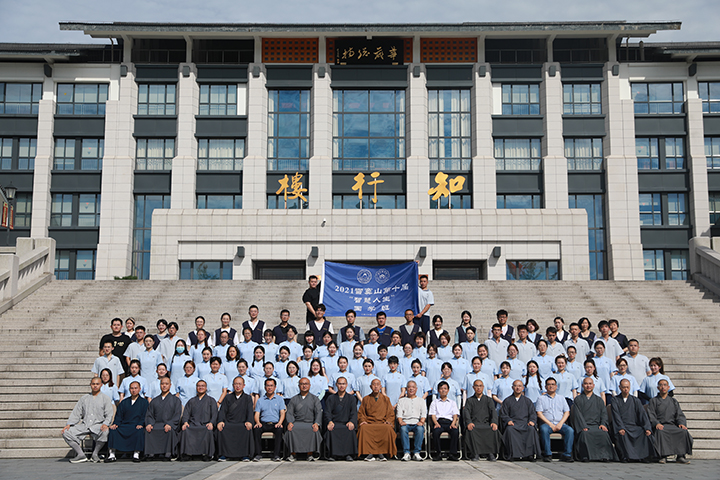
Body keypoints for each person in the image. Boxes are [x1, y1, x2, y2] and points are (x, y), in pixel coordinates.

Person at [62, 377, 114, 463]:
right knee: (66, 432)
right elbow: (76, 413)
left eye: (97, 384)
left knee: (105, 431)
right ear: (90, 385)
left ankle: (95, 454)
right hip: (85, 425)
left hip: (98, 425)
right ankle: (81, 454)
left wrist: (105, 424)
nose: (95, 386)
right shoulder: (84, 398)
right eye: (93, 384)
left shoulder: (105, 398)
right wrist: (69, 424)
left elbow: (109, 414)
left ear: (101, 385)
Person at [571, 377, 618, 462]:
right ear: (582, 385)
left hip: (597, 425)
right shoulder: (578, 399)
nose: (588, 386)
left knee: (604, 434)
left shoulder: (599, 400)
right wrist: (583, 426)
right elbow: (578, 415)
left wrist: (603, 424)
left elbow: (604, 414)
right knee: (585, 434)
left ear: (593, 385)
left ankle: (604, 455)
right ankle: (585, 456)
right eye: (586, 384)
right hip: (584, 426)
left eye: (590, 384)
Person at [648, 379, 693, 464]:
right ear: (658, 388)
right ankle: (662, 456)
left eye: (665, 385)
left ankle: (680, 456)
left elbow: (680, 415)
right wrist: (656, 423)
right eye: (661, 385)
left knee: (683, 432)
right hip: (661, 425)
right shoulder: (653, 401)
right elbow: (651, 415)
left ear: (668, 387)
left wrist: (681, 424)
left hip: (672, 425)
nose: (663, 387)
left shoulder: (673, 401)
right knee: (660, 432)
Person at [612, 378, 655, 463]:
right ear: (619, 387)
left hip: (634, 426)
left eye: (627, 387)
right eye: (624, 387)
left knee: (643, 433)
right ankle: (626, 456)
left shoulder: (636, 400)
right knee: (623, 434)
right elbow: (616, 416)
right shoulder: (615, 400)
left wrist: (647, 427)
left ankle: (643, 456)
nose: (626, 389)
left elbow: (642, 415)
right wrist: (620, 427)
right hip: (623, 426)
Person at [106, 381, 148, 463]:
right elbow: (119, 415)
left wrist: (141, 423)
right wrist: (116, 424)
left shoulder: (144, 402)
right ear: (129, 389)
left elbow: (145, 415)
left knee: (139, 431)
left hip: (136, 425)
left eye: (136, 388)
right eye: (132, 388)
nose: (134, 390)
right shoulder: (124, 402)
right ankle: (112, 454)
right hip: (124, 425)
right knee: (113, 430)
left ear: (140, 389)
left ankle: (136, 453)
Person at [499, 380, 541, 461]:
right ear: (512, 387)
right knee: (509, 430)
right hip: (513, 424)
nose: (517, 388)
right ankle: (512, 454)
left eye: (519, 386)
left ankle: (530, 455)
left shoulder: (528, 401)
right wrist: (508, 420)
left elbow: (532, 413)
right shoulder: (507, 401)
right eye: (515, 386)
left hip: (525, 423)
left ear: (523, 388)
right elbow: (504, 414)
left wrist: (532, 421)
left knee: (531, 429)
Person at [535, 377, 574, 462]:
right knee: (544, 429)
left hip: (560, 423)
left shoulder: (561, 398)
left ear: (556, 386)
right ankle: (548, 454)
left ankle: (567, 454)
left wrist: (560, 423)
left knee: (570, 430)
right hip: (547, 424)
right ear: (545, 387)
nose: (551, 386)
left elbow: (567, 412)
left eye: (553, 384)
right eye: (549, 384)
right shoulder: (541, 398)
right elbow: (539, 413)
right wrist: (550, 424)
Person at [284, 377, 323, 461]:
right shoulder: (294, 399)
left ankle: (310, 453)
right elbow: (289, 412)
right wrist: (290, 422)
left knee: (313, 430)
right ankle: (292, 453)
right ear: (299, 386)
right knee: (291, 430)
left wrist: (316, 423)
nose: (304, 386)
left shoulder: (314, 399)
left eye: (306, 384)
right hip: (297, 422)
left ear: (309, 385)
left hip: (310, 422)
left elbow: (318, 412)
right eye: (302, 384)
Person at [217, 376, 255, 461]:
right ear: (233, 385)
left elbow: (250, 411)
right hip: (229, 422)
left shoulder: (247, 398)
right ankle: (224, 454)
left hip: (242, 422)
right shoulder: (228, 397)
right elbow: (223, 411)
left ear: (244, 386)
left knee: (246, 429)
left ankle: (245, 454)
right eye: (236, 384)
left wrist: (249, 421)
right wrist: (220, 421)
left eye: (240, 384)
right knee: (222, 428)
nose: (238, 386)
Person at [358, 379, 396, 461]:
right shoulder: (366, 399)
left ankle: (381, 453)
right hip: (369, 422)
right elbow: (361, 413)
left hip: (382, 422)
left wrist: (388, 421)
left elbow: (390, 413)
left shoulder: (386, 399)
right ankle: (369, 453)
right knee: (363, 428)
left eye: (377, 384)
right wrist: (362, 421)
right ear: (370, 387)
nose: (375, 386)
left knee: (387, 428)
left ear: (380, 386)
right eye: (374, 384)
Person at [144, 376, 182, 461]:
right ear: (159, 385)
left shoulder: (176, 400)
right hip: (156, 424)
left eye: (166, 384)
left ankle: (167, 453)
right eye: (162, 384)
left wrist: (170, 424)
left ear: (170, 385)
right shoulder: (154, 400)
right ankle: (151, 453)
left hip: (168, 424)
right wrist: (149, 423)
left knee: (168, 430)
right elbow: (149, 414)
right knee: (149, 430)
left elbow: (177, 415)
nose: (164, 386)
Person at [463, 379, 501, 462]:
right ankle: (475, 453)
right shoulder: (470, 400)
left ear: (483, 387)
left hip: (486, 423)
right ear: (473, 387)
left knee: (493, 430)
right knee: (471, 430)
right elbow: (466, 413)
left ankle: (490, 453)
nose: (478, 388)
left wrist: (494, 422)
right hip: (474, 424)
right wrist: (469, 422)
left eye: (480, 386)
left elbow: (493, 412)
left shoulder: (488, 400)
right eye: (476, 386)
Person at [179, 380, 217, 461]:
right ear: (196, 388)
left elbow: (214, 414)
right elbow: (186, 413)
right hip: (193, 424)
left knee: (208, 430)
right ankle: (187, 453)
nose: (201, 387)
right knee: (186, 430)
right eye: (199, 386)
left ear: (206, 388)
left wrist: (211, 423)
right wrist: (185, 422)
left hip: (205, 425)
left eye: (203, 386)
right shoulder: (191, 401)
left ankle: (207, 454)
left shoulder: (211, 400)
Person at [324, 376, 359, 461]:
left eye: (343, 384)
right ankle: (333, 454)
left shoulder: (351, 398)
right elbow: (327, 412)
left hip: (346, 422)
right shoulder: (331, 398)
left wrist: (351, 422)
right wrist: (329, 421)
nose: (341, 386)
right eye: (339, 384)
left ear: (347, 385)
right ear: (336, 385)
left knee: (349, 430)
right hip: (335, 423)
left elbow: (354, 412)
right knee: (332, 430)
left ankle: (348, 454)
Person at [253, 378, 285, 461]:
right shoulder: (260, 400)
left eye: (271, 386)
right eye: (268, 386)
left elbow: (282, 413)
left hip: (275, 423)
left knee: (279, 429)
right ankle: (258, 454)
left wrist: (280, 422)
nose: (269, 388)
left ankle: (276, 455)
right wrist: (258, 422)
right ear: (265, 387)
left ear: (275, 387)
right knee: (256, 429)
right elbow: (257, 413)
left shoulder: (279, 399)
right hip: (263, 423)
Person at [396, 380, 427, 461]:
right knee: (403, 429)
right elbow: (399, 414)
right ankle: (406, 453)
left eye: (413, 387)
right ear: (406, 389)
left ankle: (417, 453)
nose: (411, 389)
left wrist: (422, 422)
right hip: (405, 422)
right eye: (409, 387)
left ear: (416, 389)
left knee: (420, 429)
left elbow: (424, 414)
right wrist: (401, 422)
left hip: (417, 422)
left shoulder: (421, 400)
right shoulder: (401, 400)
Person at [429, 381, 460, 461]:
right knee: (435, 432)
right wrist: (435, 423)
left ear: (448, 390)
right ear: (438, 390)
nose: (443, 390)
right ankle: (438, 453)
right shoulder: (434, 402)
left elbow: (455, 415)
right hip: (439, 422)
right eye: (441, 389)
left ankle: (452, 454)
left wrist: (453, 423)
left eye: (445, 388)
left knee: (455, 431)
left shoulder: (452, 402)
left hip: (449, 422)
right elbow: (433, 414)